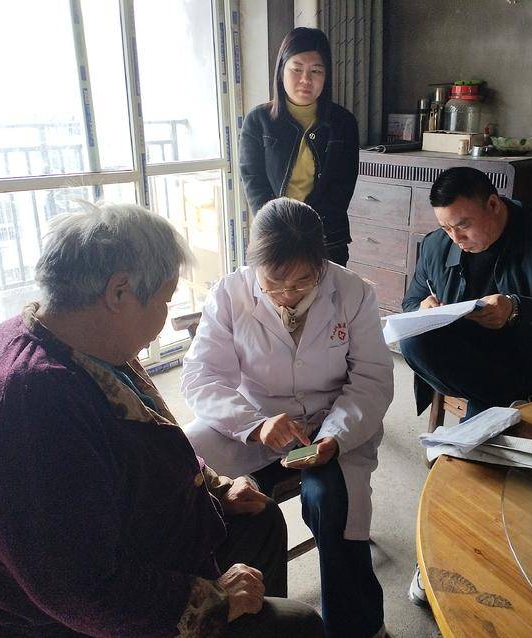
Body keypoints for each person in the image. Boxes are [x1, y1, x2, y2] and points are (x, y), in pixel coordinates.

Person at [0, 202, 323, 638]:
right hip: (77, 623)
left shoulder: (79, 341)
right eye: (164, 300)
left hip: (132, 544)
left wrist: (215, 489)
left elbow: (148, 443)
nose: (163, 320)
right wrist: (215, 600)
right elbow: (84, 593)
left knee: (261, 519)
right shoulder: (35, 407)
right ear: (119, 292)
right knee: (300, 626)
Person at [181, 198, 393, 638]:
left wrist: (335, 437)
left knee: (332, 501)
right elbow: (201, 378)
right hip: (254, 421)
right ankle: (231, 609)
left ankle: (354, 626)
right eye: (275, 284)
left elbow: (371, 379)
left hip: (329, 422)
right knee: (186, 463)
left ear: (321, 264)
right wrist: (254, 424)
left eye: (302, 282)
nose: (288, 294)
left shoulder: (353, 292)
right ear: (254, 264)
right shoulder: (230, 293)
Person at [399, 167, 532, 605]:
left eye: (463, 225)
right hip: (475, 369)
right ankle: (496, 413)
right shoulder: (438, 244)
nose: (455, 238)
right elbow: (411, 300)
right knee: (413, 340)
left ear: (493, 204)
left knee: (472, 454)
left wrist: (517, 309)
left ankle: (441, 556)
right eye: (446, 228)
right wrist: (422, 307)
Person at [239, 27, 359, 267]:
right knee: (273, 292)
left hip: (327, 238)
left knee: (327, 292)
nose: (306, 79)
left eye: (316, 71)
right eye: (296, 69)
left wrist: (307, 229)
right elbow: (254, 181)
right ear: (281, 70)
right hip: (274, 237)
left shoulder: (343, 122)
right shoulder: (258, 120)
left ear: (326, 76)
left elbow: (342, 187)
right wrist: (281, 228)